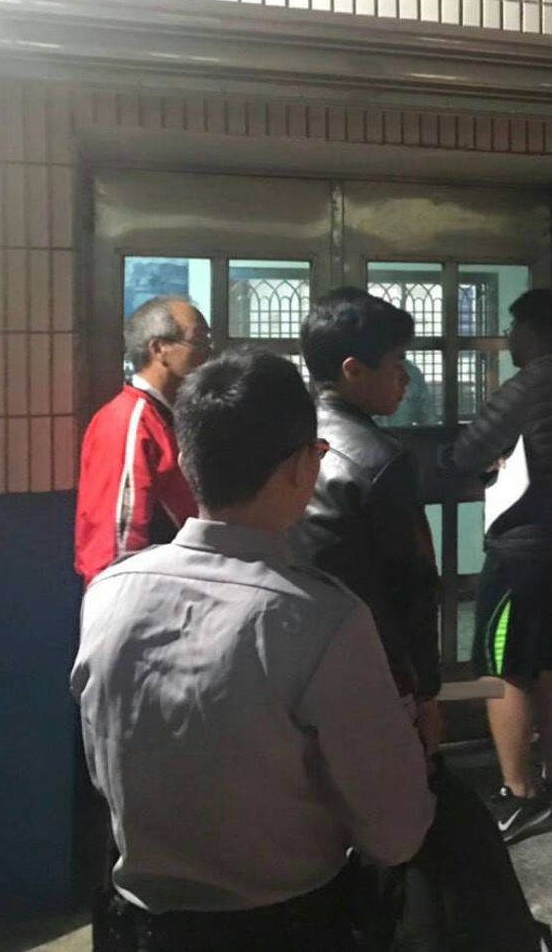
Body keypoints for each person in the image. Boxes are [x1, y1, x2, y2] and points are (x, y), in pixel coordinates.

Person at [73, 350, 435, 948]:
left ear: (186, 461)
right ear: (300, 466)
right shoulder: (322, 620)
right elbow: (396, 832)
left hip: (135, 927)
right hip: (284, 927)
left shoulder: (109, 594)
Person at [443, 287, 552, 843]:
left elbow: (465, 452)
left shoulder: (529, 386)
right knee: (544, 661)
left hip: (521, 550)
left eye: (512, 330)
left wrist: (473, 463)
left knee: (501, 666)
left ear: (530, 333)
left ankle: (519, 795)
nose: (508, 339)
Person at [292, 287, 442, 756]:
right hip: (372, 664)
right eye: (397, 363)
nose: (406, 378)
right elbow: (413, 584)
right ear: (353, 369)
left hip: (295, 656)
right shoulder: (380, 460)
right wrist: (426, 690)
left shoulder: (290, 439)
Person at [74, 295, 210, 584]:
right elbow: (117, 540)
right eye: (199, 341)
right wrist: (121, 600)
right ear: (159, 349)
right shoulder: (129, 421)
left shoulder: (169, 415)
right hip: (142, 594)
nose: (208, 353)